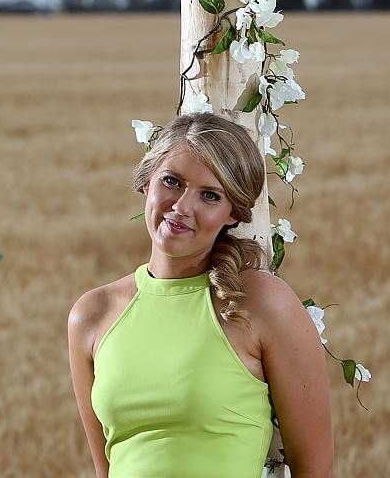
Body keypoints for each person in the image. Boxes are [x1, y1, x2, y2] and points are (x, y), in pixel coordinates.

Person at [67, 112, 333, 478]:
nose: (182, 206)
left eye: (209, 195)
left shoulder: (260, 303)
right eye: (171, 181)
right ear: (147, 182)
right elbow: (105, 470)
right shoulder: (92, 315)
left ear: (233, 214)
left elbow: (315, 471)